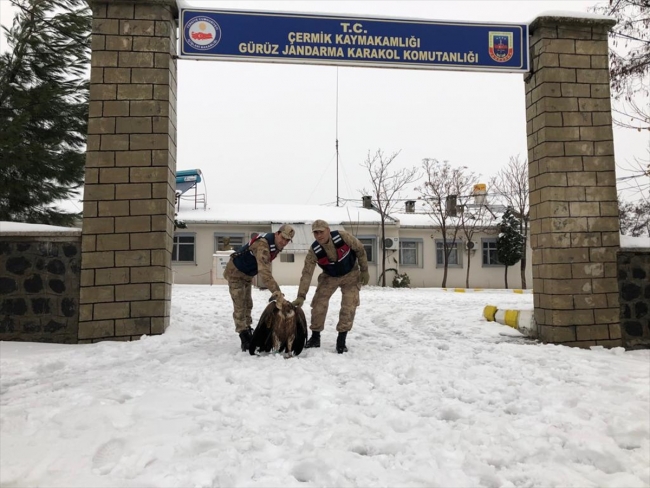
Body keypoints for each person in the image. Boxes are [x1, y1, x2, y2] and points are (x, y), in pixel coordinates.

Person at [291, 220, 369, 354]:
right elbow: (307, 273)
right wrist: (301, 295)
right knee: (318, 303)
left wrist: (364, 270)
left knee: (349, 305)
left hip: (351, 274)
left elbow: (360, 249)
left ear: (328, 230)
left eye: (321, 232)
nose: (319, 235)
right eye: (315, 233)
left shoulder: (343, 237)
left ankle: (341, 341)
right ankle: (315, 337)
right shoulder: (314, 250)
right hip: (330, 276)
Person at [224, 224, 295, 351]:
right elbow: (264, 272)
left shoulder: (275, 245)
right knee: (240, 305)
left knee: (248, 304)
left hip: (246, 274)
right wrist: (277, 293)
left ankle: (248, 329)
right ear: (277, 233)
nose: (284, 242)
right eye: (283, 238)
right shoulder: (263, 245)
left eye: (287, 240)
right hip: (235, 273)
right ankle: (244, 336)